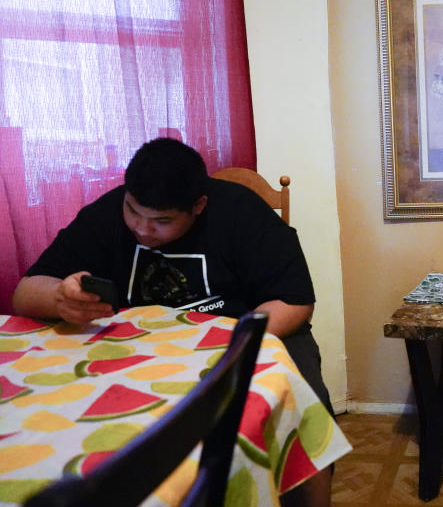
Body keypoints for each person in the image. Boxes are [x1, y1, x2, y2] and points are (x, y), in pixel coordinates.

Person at [11, 138, 335, 502]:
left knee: (308, 401)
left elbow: (295, 301)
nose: (143, 230)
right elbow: (24, 292)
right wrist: (59, 298)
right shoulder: (106, 212)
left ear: (199, 206)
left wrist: (229, 344)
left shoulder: (242, 212)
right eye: (133, 212)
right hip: (136, 349)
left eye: (162, 221)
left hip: (242, 336)